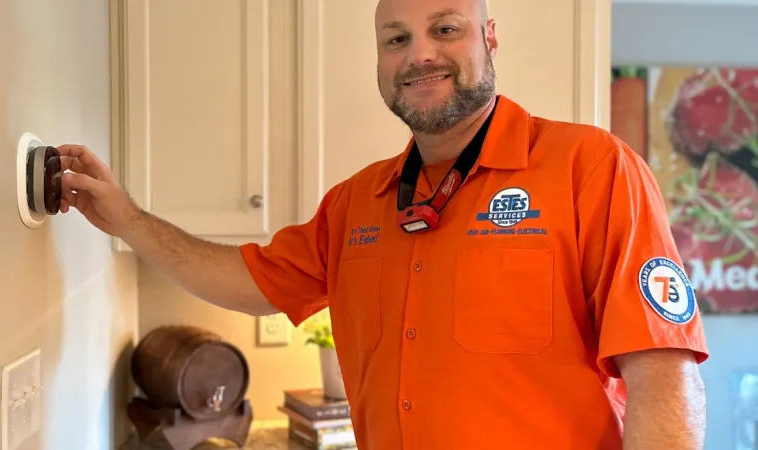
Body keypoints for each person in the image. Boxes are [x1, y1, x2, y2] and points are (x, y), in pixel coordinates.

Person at [58, 0, 709, 448]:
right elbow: (248, 280)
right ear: (380, 62)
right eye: (396, 38)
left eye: (445, 29)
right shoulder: (357, 204)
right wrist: (126, 218)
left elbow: (664, 373)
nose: (419, 54)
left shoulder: (592, 169)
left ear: (489, 37)